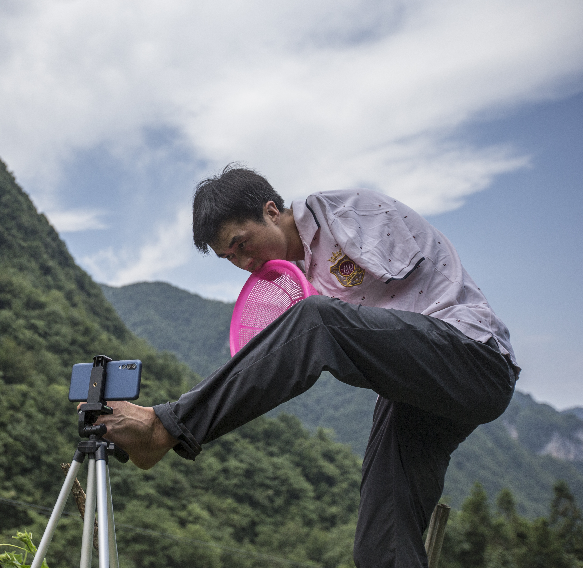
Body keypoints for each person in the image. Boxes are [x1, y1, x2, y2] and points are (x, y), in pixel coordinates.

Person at [97, 165, 520, 567]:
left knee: (317, 320)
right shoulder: (296, 275)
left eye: (242, 244)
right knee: (381, 548)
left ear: (271, 210)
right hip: (415, 393)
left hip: (474, 357)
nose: (242, 263)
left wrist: (318, 315)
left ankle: (166, 427)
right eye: (228, 257)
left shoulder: (345, 212)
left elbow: (364, 303)